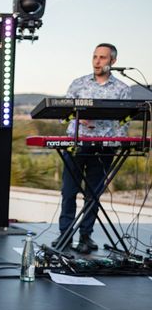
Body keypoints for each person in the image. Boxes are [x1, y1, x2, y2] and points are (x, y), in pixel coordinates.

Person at [53, 43, 130, 254]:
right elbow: (63, 112)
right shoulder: (78, 84)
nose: (97, 61)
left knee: (93, 194)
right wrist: (79, 118)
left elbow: (125, 121)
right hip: (77, 144)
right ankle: (65, 234)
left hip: (104, 147)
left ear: (113, 61)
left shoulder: (122, 89)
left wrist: (118, 143)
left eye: (103, 58)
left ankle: (85, 237)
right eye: (95, 57)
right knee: (68, 192)